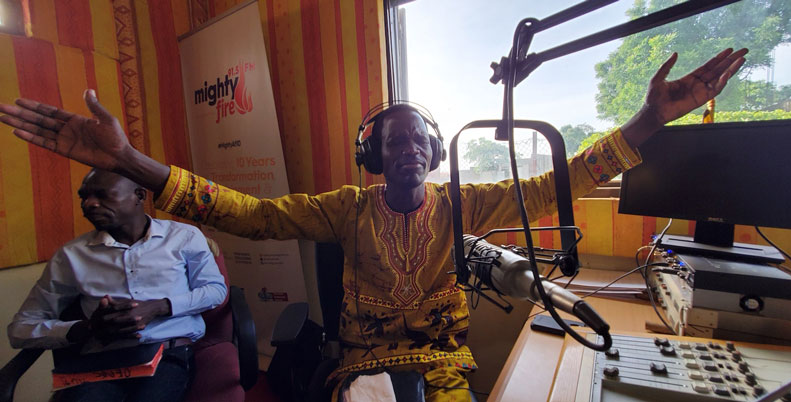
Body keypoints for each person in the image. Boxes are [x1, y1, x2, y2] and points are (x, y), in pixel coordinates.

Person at [0, 48, 746, 401]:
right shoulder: (342, 210)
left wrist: (649, 120)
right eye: (392, 143)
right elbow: (250, 216)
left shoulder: (464, 204)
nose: (408, 152)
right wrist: (135, 162)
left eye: (418, 141)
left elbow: (563, 180)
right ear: (371, 156)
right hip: (361, 374)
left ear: (432, 151)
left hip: (445, 368)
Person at [7, 169, 228, 402]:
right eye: (84, 197)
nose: (89, 204)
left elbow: (215, 290)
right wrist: (86, 328)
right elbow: (21, 329)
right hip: (100, 361)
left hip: (167, 354)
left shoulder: (183, 237)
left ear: (139, 196)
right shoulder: (71, 255)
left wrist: (159, 307)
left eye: (103, 195)